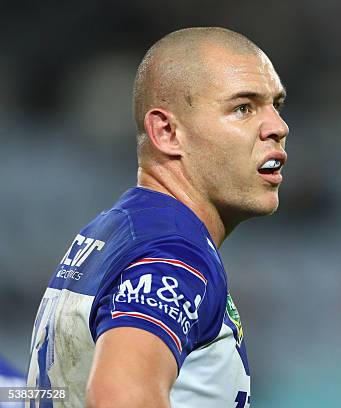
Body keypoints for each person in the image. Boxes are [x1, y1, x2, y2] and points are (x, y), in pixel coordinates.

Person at [26, 27, 289, 408]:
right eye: (243, 108)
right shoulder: (173, 251)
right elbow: (121, 397)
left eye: (276, 105)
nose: (278, 127)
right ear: (167, 132)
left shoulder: (117, 231)